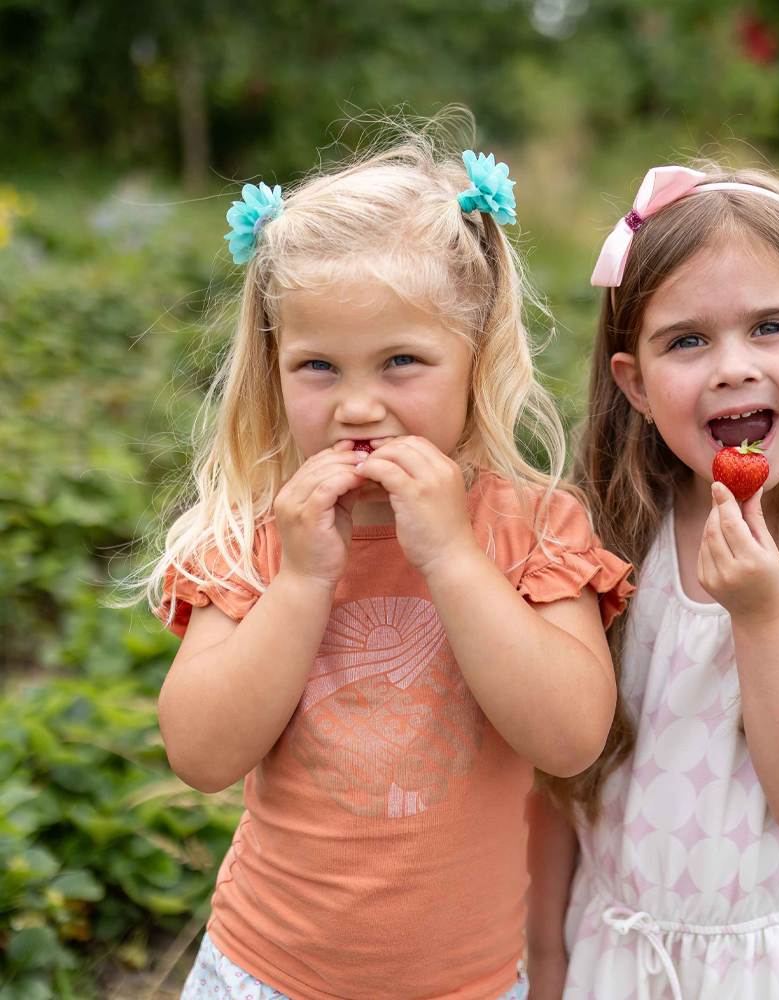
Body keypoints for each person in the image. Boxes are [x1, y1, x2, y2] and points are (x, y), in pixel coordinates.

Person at [142, 132, 634, 1000]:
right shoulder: (262, 536)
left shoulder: (532, 529)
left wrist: (450, 553)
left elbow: (569, 738)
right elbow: (200, 754)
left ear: (474, 359)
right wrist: (301, 582)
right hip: (265, 974)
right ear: (274, 369)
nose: (358, 406)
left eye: (401, 362)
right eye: (318, 367)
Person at [525, 164, 779, 1000]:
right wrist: (544, 957)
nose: (731, 368)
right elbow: (559, 778)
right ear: (635, 385)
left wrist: (762, 613)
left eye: (769, 327)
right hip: (617, 958)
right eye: (686, 340)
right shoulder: (604, 548)